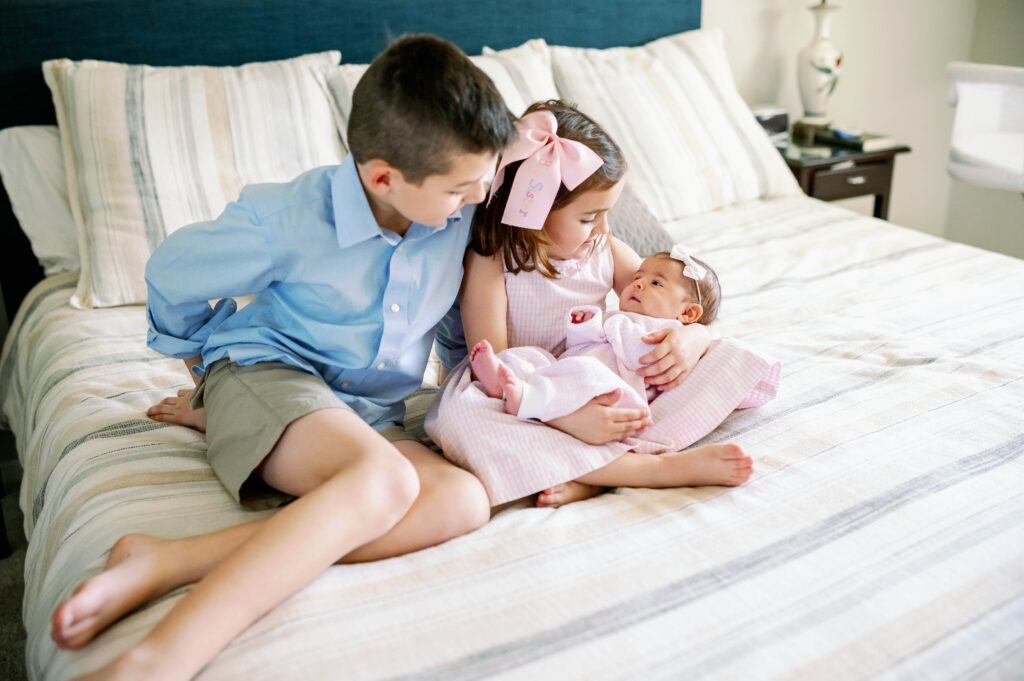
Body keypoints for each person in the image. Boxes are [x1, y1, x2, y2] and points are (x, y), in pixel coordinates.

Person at [49, 34, 518, 681]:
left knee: (462, 500)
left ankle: (166, 558)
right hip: (272, 372)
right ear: (383, 177)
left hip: (362, 411)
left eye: (482, 181)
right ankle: (160, 656)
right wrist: (204, 369)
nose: (477, 198)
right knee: (386, 481)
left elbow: (448, 305)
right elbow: (170, 272)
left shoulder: (451, 216)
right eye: (462, 188)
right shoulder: (287, 219)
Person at [425, 101, 768, 509]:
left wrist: (693, 337)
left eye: (607, 214)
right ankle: (650, 471)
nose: (604, 229)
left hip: (602, 382)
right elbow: (497, 369)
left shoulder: (604, 249)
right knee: (461, 419)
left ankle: (589, 474)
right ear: (535, 210)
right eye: (590, 217)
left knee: (725, 355)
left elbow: (662, 302)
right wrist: (566, 416)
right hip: (530, 393)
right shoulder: (491, 263)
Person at [471, 247, 722, 420]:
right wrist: (585, 325)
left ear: (688, 314)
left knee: (581, 376)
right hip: (572, 364)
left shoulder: (667, 332)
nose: (638, 283)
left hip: (608, 386)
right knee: (532, 355)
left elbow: (640, 356)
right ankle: (502, 377)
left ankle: (525, 398)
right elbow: (581, 345)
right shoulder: (621, 318)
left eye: (656, 283)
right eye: (638, 276)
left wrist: (609, 327)